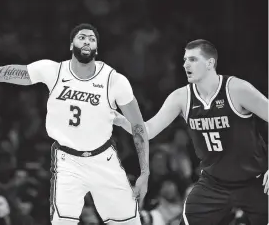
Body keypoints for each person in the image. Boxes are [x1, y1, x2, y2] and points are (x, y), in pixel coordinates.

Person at [0, 12, 149, 225]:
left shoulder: (115, 80)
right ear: (71, 45)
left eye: (92, 39)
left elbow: (139, 127)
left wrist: (145, 172)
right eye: (81, 37)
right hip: (68, 161)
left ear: (97, 49)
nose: (87, 41)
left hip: (104, 159)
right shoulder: (51, 71)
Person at [113, 39, 268, 225]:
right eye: (185, 59)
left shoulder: (237, 90)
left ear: (210, 63)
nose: (185, 64)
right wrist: (120, 120)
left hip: (255, 180)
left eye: (193, 59)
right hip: (213, 183)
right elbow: (149, 130)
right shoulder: (181, 97)